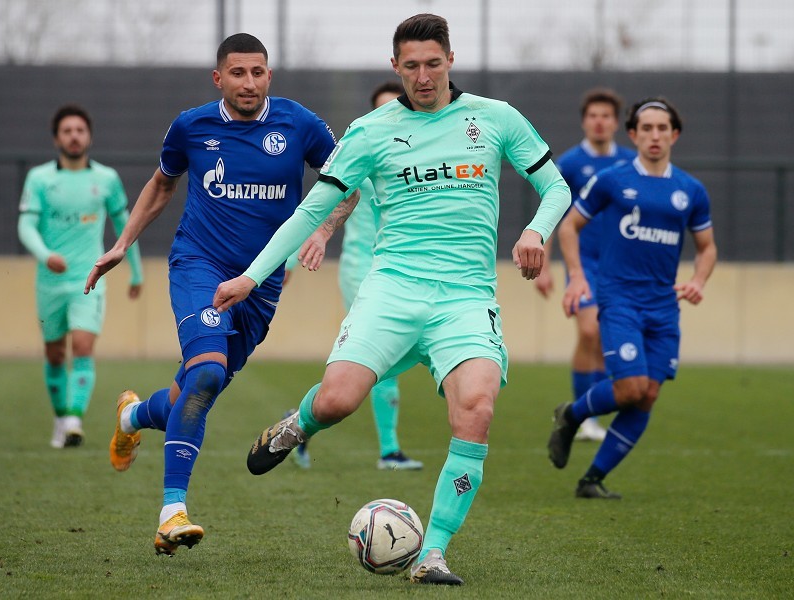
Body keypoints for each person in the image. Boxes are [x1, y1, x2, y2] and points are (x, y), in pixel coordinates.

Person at [214, 14, 571, 585]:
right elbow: (309, 210)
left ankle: (432, 553)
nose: (424, 76)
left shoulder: (495, 118)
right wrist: (253, 276)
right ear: (395, 67)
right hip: (393, 290)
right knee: (337, 402)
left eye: (433, 64)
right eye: (412, 66)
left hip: (465, 298)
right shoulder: (370, 131)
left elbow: (556, 186)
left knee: (476, 409)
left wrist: (535, 231)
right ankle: (295, 426)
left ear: (450, 61)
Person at [86, 33, 351, 556]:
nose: (248, 82)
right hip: (199, 267)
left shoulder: (299, 124)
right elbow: (162, 185)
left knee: (194, 395)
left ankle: (132, 417)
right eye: (237, 73)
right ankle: (171, 512)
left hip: (262, 282)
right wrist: (121, 245)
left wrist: (323, 231)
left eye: (257, 72)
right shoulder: (191, 126)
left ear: (269, 75)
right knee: (205, 371)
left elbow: (346, 181)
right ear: (218, 78)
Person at [548, 97, 717, 499]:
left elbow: (707, 247)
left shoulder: (690, 190)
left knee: (649, 395)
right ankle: (571, 415)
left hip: (664, 305)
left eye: (663, 128)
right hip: (619, 298)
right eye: (647, 128)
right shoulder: (613, 180)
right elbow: (569, 226)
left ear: (674, 135)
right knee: (629, 388)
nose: (655, 135)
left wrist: (698, 280)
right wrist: (576, 277)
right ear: (634, 135)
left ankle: (592, 479)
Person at [18, 104, 143, 449]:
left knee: (83, 346)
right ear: (57, 138)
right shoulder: (40, 179)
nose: (74, 136)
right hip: (50, 282)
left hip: (89, 279)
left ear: (89, 136)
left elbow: (125, 225)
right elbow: (25, 225)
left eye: (80, 130)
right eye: (67, 131)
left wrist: (136, 270)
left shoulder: (106, 179)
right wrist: (46, 255)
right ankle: (61, 419)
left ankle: (74, 419)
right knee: (55, 354)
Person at [535, 88, 637, 443]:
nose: (599, 121)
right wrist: (544, 264)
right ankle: (583, 413)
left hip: (623, 268)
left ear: (616, 123)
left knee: (606, 337)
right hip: (585, 264)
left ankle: (589, 413)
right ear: (584, 121)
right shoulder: (571, 163)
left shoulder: (629, 163)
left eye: (606, 116)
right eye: (593, 115)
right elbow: (554, 211)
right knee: (590, 332)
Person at [338, 80, 423, 471]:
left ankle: (301, 421)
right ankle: (389, 451)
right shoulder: (364, 158)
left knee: (386, 360)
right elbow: (322, 208)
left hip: (405, 273)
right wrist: (287, 263)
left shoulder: (420, 161)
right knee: (380, 357)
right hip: (363, 271)